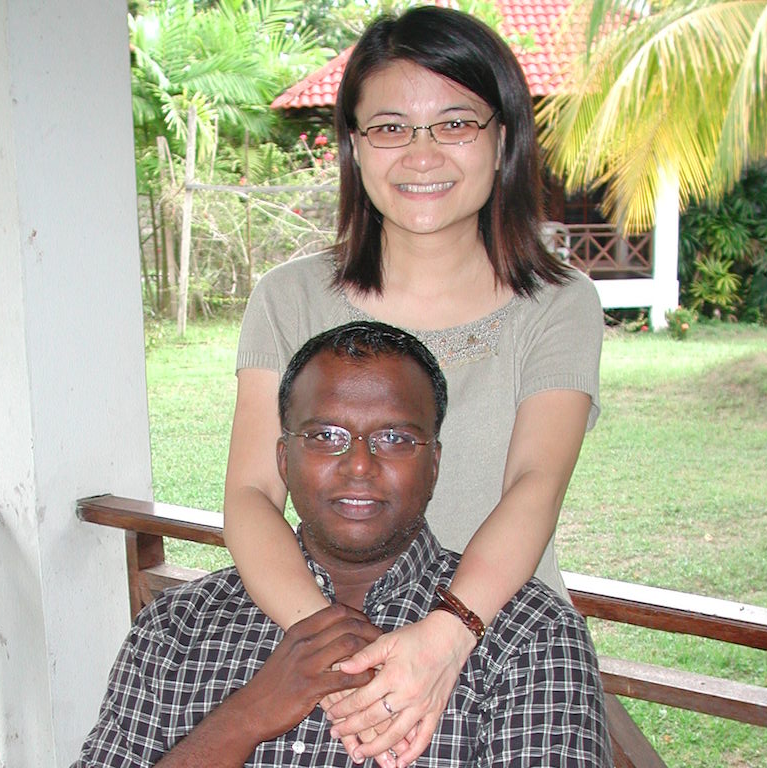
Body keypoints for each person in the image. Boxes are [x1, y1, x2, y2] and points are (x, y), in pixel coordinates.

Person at [224, 6, 604, 764]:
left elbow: (533, 484)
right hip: (319, 645)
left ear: (502, 139)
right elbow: (249, 495)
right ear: (355, 148)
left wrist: (442, 637)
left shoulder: (558, 304)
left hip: (500, 646)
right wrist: (335, 649)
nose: (421, 154)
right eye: (391, 127)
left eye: (455, 123)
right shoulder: (288, 296)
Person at [74, 322, 611, 767]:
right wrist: (248, 715)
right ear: (284, 461)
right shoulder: (177, 628)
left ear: (434, 466)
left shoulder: (528, 636)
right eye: (326, 436)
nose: (359, 465)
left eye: (395, 438)